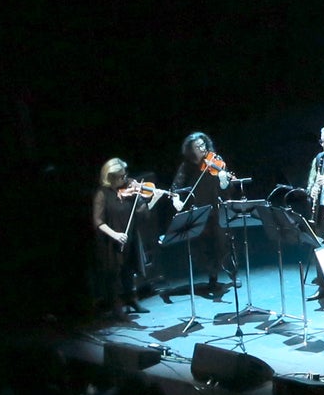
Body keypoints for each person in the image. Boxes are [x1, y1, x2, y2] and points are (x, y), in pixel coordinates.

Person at [92, 159, 164, 315]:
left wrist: (154, 199)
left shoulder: (129, 190)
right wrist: (115, 235)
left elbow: (141, 213)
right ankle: (117, 308)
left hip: (129, 237)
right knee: (114, 274)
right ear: (110, 177)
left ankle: (132, 300)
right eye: (121, 177)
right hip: (112, 240)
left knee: (129, 271)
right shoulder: (102, 194)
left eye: (125, 175)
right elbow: (98, 221)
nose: (125, 179)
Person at [170, 132, 238, 293]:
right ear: (190, 150)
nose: (202, 149)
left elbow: (228, 188)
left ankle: (233, 274)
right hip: (200, 209)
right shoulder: (187, 166)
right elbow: (176, 186)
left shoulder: (216, 160)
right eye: (198, 147)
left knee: (225, 242)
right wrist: (176, 200)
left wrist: (223, 179)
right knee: (206, 245)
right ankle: (212, 278)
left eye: (203, 145)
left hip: (218, 207)